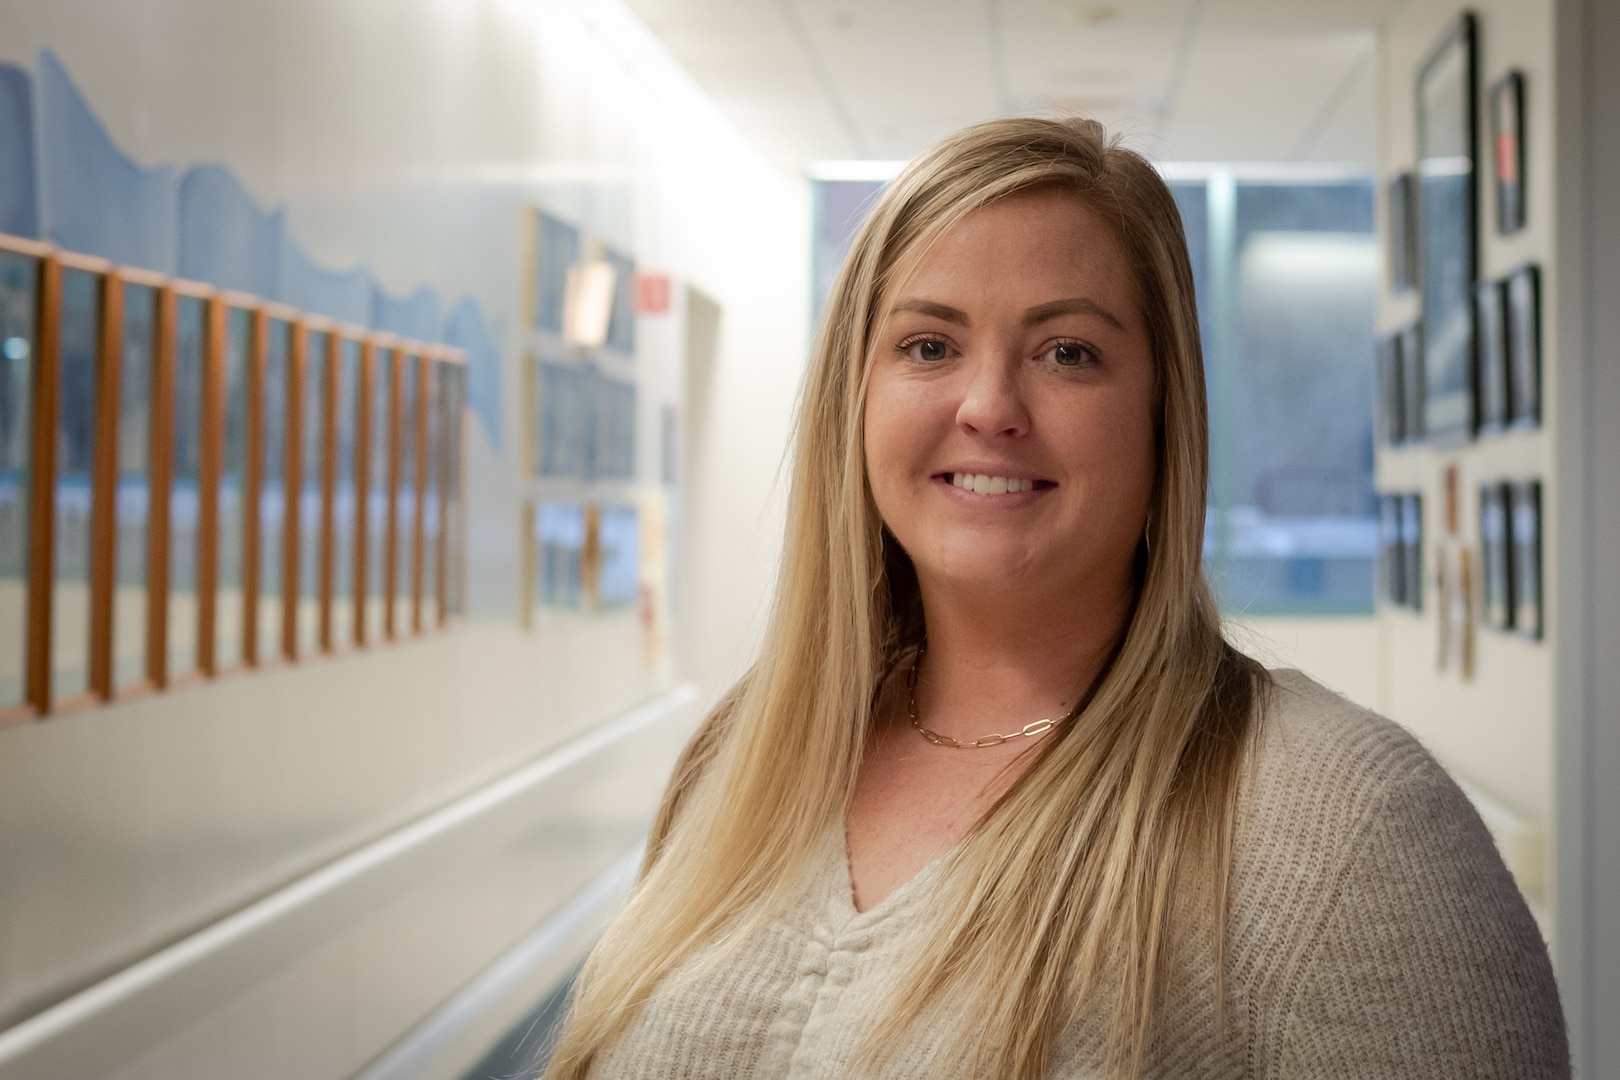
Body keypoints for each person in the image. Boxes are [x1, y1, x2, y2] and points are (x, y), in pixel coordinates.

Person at [543, 117, 1567, 1079]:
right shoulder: (744, 756)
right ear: (854, 398)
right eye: (928, 345)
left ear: (1164, 414)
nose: (989, 406)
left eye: (1068, 352)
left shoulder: (1351, 830)